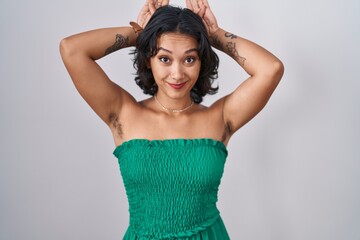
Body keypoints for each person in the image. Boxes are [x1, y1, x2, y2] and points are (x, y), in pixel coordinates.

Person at [60, 0, 284, 238]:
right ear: (149, 59)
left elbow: (270, 68)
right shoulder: (122, 113)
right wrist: (140, 33)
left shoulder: (220, 118)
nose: (177, 74)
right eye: (165, 59)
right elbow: (71, 50)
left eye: (189, 59)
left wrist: (214, 35)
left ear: (201, 62)